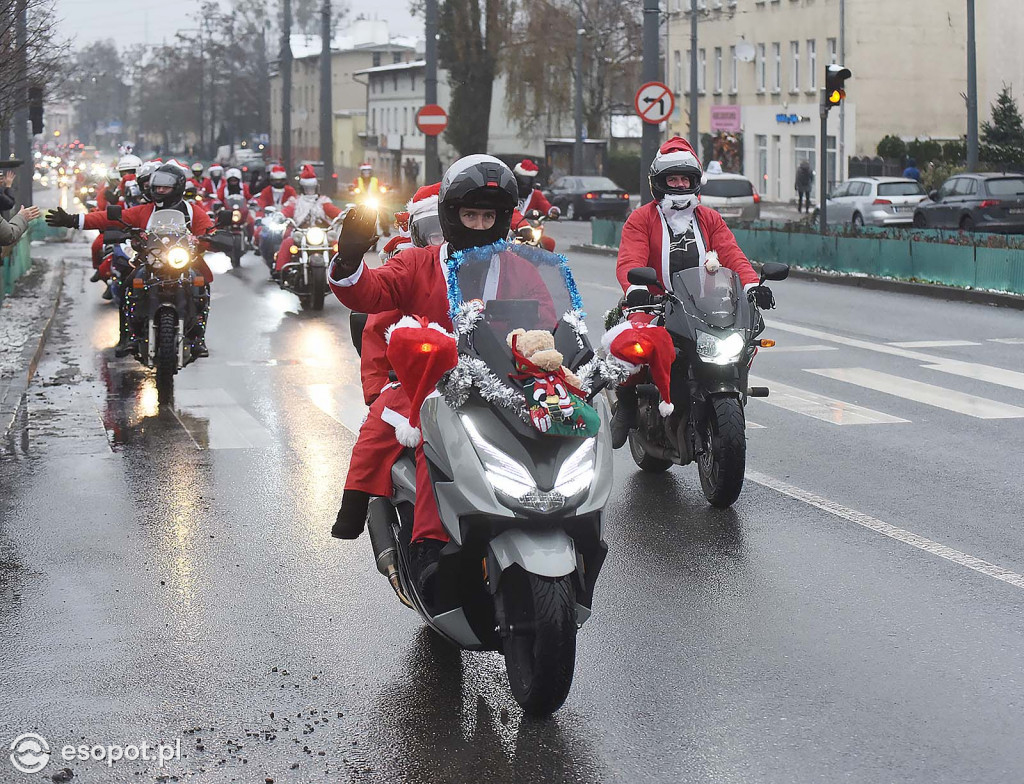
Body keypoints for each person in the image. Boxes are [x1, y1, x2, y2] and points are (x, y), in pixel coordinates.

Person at [328, 154, 555, 603]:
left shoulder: (521, 268)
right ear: (452, 215)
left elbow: (551, 324)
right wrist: (350, 255)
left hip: (504, 385)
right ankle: (417, 538)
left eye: (487, 215)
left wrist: (556, 353)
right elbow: (369, 292)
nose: (478, 223)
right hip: (427, 385)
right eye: (469, 214)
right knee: (391, 429)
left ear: (502, 218)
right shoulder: (417, 263)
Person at [611, 136, 770, 448]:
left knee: (745, 337)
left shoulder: (709, 218)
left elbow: (732, 255)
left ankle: (728, 388)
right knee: (635, 343)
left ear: (695, 182)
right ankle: (627, 402)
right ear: (660, 183)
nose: (680, 185)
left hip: (702, 304)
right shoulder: (641, 218)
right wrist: (636, 289)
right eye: (673, 179)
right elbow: (630, 258)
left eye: (685, 179)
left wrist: (752, 285)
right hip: (657, 303)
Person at [331, 182, 444, 540]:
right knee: (375, 433)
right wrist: (378, 389)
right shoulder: (411, 263)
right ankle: (355, 507)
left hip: (485, 376)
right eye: (432, 230)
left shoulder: (498, 262)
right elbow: (376, 329)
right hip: (419, 379)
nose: (440, 238)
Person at [45, 163, 217, 357]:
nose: (160, 191)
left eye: (165, 187)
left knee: (202, 286)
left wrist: (212, 238)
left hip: (183, 262)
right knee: (129, 287)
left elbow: (209, 231)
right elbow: (109, 219)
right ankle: (129, 336)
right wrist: (73, 220)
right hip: (150, 262)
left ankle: (198, 338)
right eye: (157, 186)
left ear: (177, 188)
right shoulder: (144, 210)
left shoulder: (193, 211)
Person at [272, 164, 342, 276]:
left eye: (312, 188)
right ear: (302, 188)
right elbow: (287, 211)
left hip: (322, 234)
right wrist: (280, 215)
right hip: (301, 233)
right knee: (287, 242)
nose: (310, 191)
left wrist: (344, 215)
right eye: (307, 188)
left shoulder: (323, 201)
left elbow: (333, 211)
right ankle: (281, 271)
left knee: (337, 246)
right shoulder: (296, 201)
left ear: (316, 187)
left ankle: (345, 271)